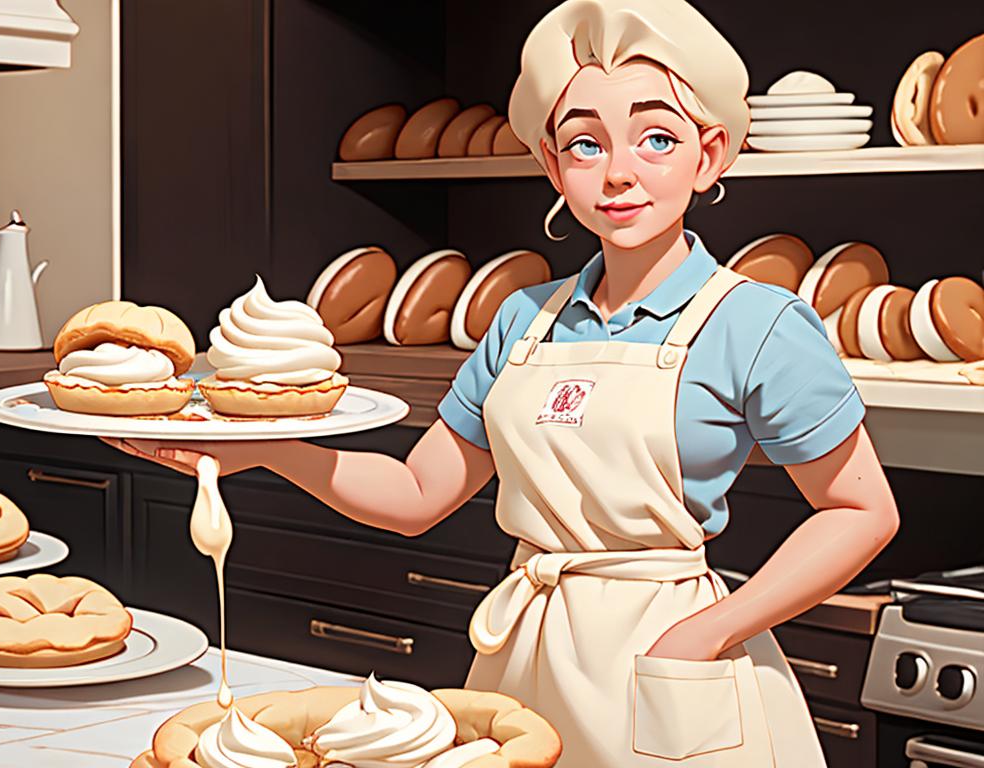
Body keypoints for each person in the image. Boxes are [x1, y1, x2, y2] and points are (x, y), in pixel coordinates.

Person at [106, 1, 899, 764]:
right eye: (587, 146)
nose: (619, 173)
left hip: (672, 665)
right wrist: (270, 449)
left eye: (656, 138)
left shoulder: (758, 322)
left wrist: (707, 633)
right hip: (524, 654)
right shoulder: (524, 319)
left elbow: (862, 511)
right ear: (553, 164)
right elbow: (419, 493)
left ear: (711, 153)